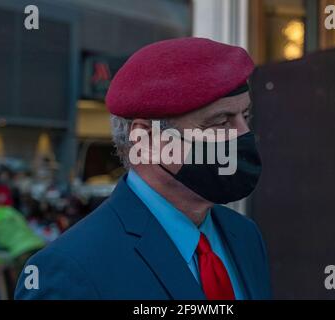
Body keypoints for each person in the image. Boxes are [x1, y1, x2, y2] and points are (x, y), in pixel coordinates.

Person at [15, 37, 272, 300]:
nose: (245, 134)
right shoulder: (69, 272)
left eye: (246, 116)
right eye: (220, 122)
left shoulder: (244, 236)